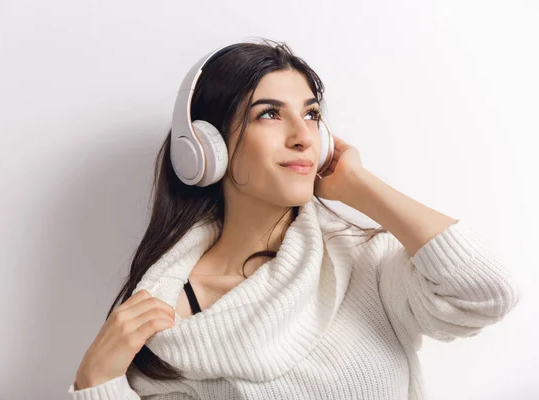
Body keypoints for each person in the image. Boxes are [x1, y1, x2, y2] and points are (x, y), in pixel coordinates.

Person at [68, 38, 520, 400]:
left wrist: (361, 188)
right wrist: (97, 383)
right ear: (205, 147)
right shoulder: (166, 319)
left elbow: (487, 294)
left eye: (311, 114)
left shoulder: (364, 261)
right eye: (269, 114)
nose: (303, 136)